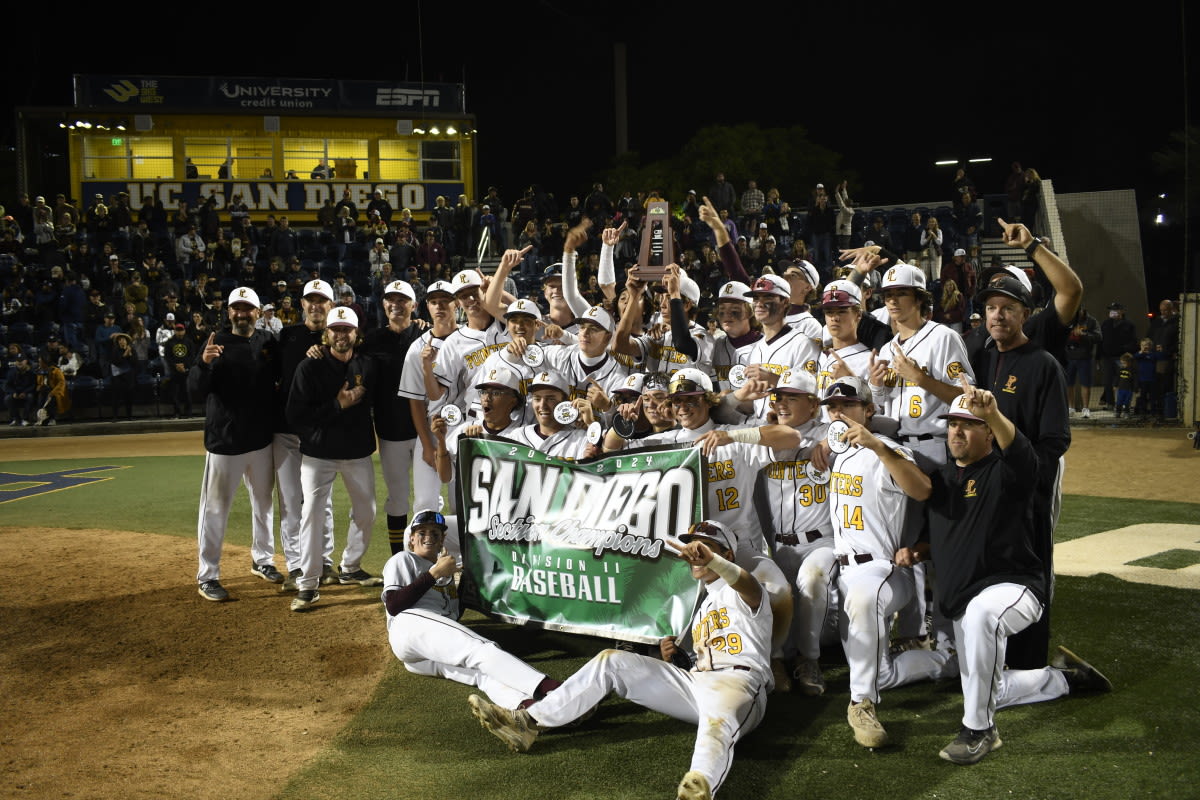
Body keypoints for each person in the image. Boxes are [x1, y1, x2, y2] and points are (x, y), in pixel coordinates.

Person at [468, 520, 771, 800]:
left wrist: (715, 561)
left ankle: (696, 789)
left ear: (727, 554)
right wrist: (675, 658)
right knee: (612, 661)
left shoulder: (745, 590)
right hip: (697, 681)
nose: (696, 554)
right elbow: (694, 663)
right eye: (693, 547)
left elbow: (748, 586)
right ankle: (529, 722)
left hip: (740, 684)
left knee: (715, 726)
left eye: (705, 548)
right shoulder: (702, 608)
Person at [896, 387, 1111, 765]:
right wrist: (919, 549)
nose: (957, 432)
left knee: (984, 617)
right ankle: (1066, 679)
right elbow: (946, 530)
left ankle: (980, 730)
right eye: (953, 425)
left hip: (1016, 586)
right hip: (963, 600)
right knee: (982, 683)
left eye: (969, 425)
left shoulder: (1009, 470)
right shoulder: (944, 479)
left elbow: (1021, 453)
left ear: (989, 434)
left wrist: (994, 413)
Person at [969, 268, 1070, 669]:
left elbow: (1056, 440)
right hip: (986, 487)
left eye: (1007, 308)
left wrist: (1025, 477)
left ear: (1025, 313)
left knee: (1029, 573)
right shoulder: (980, 355)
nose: (997, 316)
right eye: (991, 308)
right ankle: (989, 658)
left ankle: (1030, 665)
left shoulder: (1043, 364)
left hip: (1026, 491)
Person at [382, 509, 560, 707]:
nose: (428, 537)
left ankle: (529, 710)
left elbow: (449, 621)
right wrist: (434, 573)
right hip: (407, 625)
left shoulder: (448, 575)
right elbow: (394, 605)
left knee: (481, 675)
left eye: (435, 533)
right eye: (422, 532)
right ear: (412, 539)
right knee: (479, 649)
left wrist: (464, 584)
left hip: (418, 656)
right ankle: (553, 689)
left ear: (442, 540)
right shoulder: (404, 560)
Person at [286, 306, 380, 612]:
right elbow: (295, 416)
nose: (341, 335)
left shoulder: (367, 364)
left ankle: (351, 567)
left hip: (357, 453)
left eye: (347, 329)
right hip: (318, 455)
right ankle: (309, 583)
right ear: (327, 333)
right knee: (312, 514)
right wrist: (337, 406)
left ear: (356, 334)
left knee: (366, 511)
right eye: (335, 329)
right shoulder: (309, 367)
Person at [189, 288, 280, 602]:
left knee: (264, 505)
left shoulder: (268, 342)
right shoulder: (216, 342)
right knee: (214, 509)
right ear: (229, 312)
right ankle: (208, 575)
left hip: (260, 440)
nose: (242, 314)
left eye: (248, 309)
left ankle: (263, 560)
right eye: (236, 309)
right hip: (225, 442)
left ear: (258, 312)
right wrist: (203, 364)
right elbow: (194, 390)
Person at [361, 280, 425, 553]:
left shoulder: (426, 335)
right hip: (390, 431)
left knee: (428, 499)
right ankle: (398, 559)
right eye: (391, 300)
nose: (396, 305)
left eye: (402, 300)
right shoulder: (372, 339)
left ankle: (427, 554)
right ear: (384, 304)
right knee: (397, 498)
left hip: (425, 433)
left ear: (413, 305)